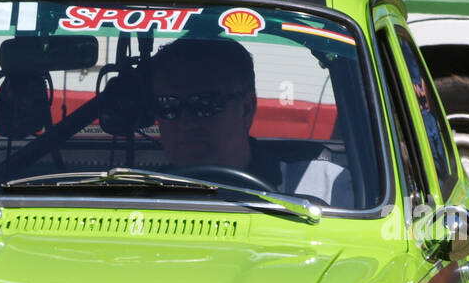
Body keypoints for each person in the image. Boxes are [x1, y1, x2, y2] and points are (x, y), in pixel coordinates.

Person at [147, 37, 351, 206]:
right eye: (168, 106)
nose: (186, 123)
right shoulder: (130, 192)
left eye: (204, 105)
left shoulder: (326, 186)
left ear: (246, 109)